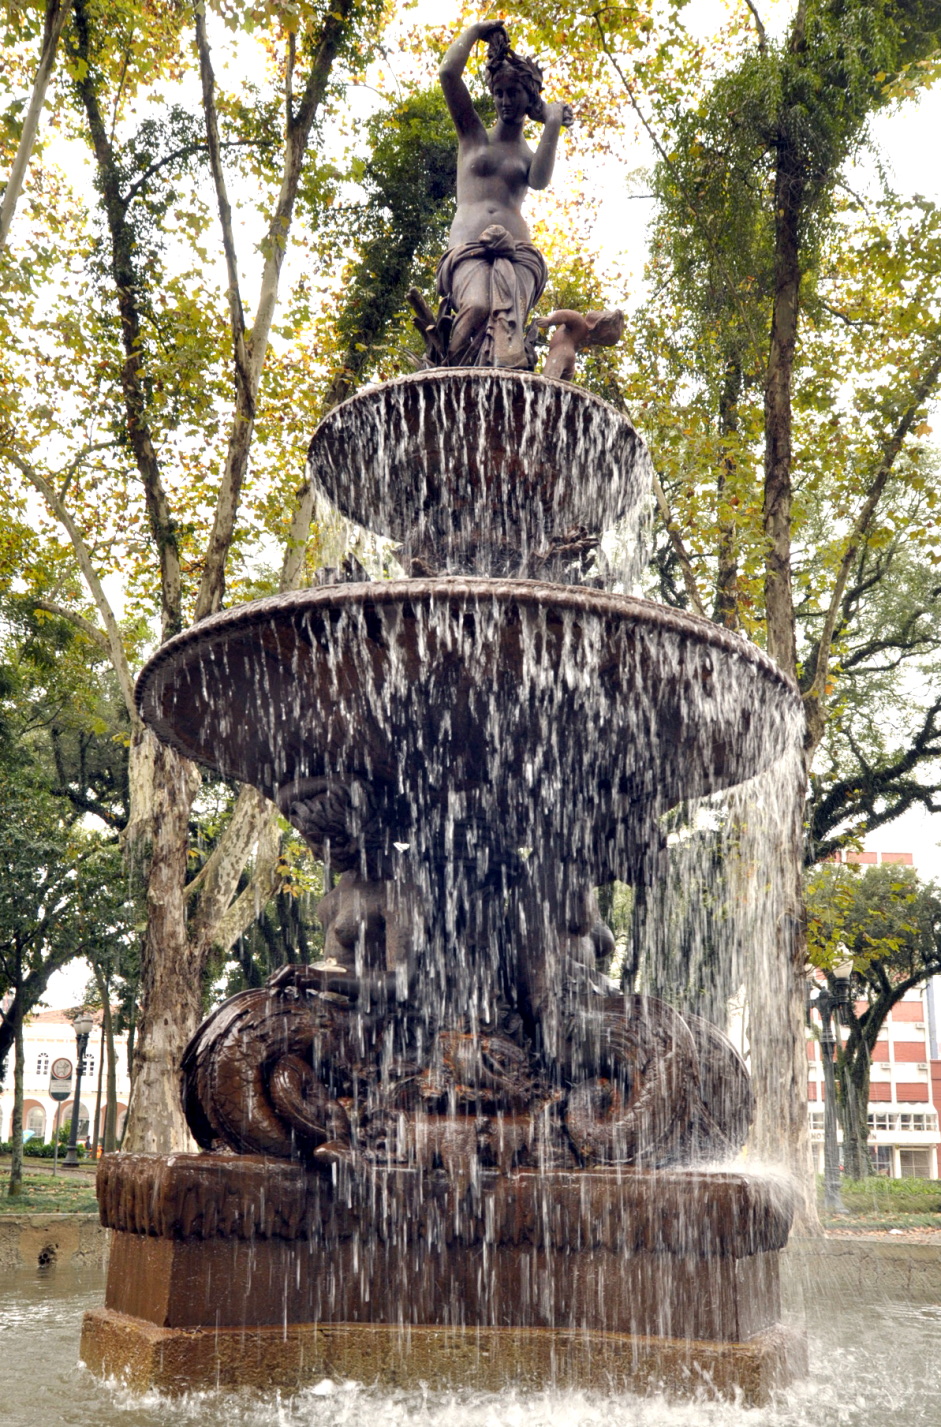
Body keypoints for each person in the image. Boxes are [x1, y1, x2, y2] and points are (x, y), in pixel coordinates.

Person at [431, 20, 573, 369]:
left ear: (529, 97)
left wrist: (552, 122)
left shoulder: (527, 156)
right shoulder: (472, 135)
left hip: (518, 252)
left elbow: (539, 181)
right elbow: (448, 74)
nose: (505, 101)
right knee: (477, 306)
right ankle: (455, 379)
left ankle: (499, 379)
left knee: (507, 330)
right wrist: (475, 31)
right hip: (468, 245)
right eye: (499, 93)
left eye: (514, 93)